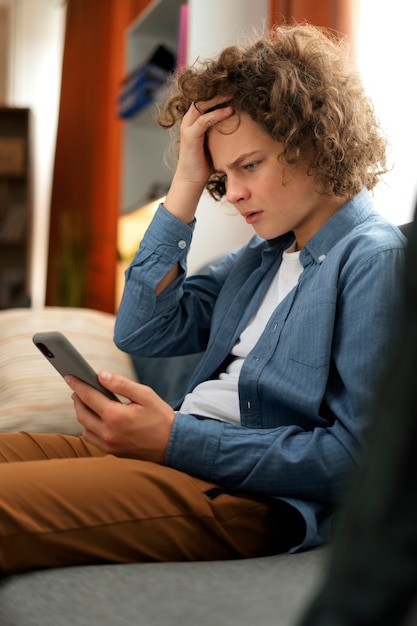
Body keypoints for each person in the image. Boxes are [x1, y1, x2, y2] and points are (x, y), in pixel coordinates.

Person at [0, 23, 406, 573]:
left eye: (250, 165)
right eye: (222, 174)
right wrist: (188, 180)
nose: (233, 193)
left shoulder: (374, 259)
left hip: (241, 494)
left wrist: (174, 440)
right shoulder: (261, 258)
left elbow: (362, 461)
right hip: (178, 457)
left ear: (312, 142)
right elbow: (142, 330)